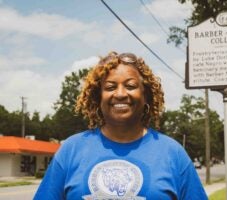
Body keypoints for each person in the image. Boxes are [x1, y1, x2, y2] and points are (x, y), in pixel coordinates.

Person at [34, 51, 208, 200]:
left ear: (145, 95)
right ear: (98, 97)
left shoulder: (173, 153)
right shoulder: (71, 150)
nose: (120, 94)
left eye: (130, 86)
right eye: (110, 87)